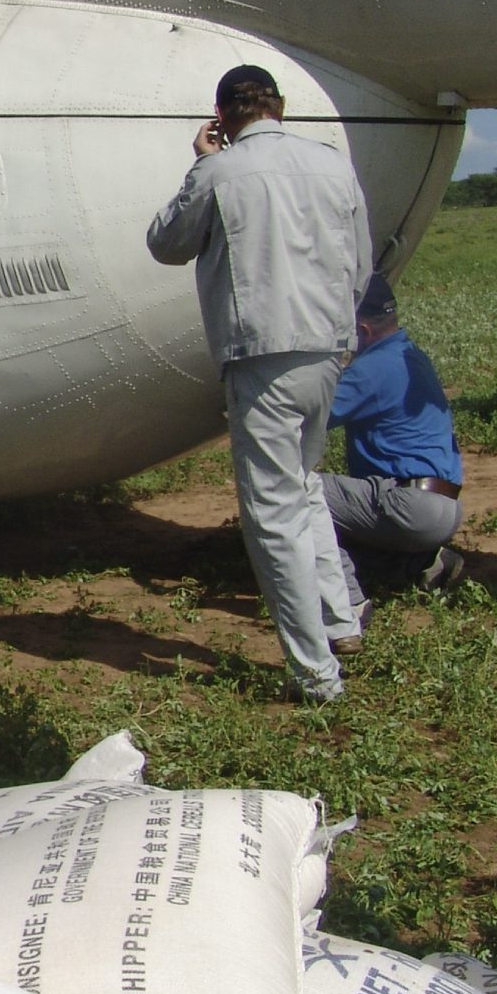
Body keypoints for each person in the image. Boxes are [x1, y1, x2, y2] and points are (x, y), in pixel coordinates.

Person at [147, 63, 371, 703]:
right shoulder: (332, 165)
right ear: (280, 107)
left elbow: (167, 242)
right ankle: (340, 617)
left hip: (260, 352)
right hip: (327, 348)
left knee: (272, 513)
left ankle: (316, 672)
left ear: (223, 116)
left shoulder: (219, 172)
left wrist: (200, 165)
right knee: (302, 487)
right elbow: (359, 261)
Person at [322, 273, 465, 613]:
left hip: (410, 506)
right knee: (357, 522)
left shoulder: (371, 369)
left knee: (301, 494)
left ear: (364, 330)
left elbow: (307, 416)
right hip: (445, 506)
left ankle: (346, 603)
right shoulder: (409, 355)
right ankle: (424, 566)